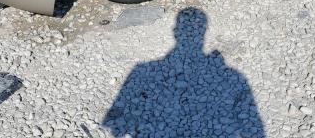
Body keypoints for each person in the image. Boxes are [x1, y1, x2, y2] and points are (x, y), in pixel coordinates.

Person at [103, 7, 265, 137]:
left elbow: (116, 128)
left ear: (175, 32)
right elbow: (252, 129)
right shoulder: (234, 77)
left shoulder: (141, 71)